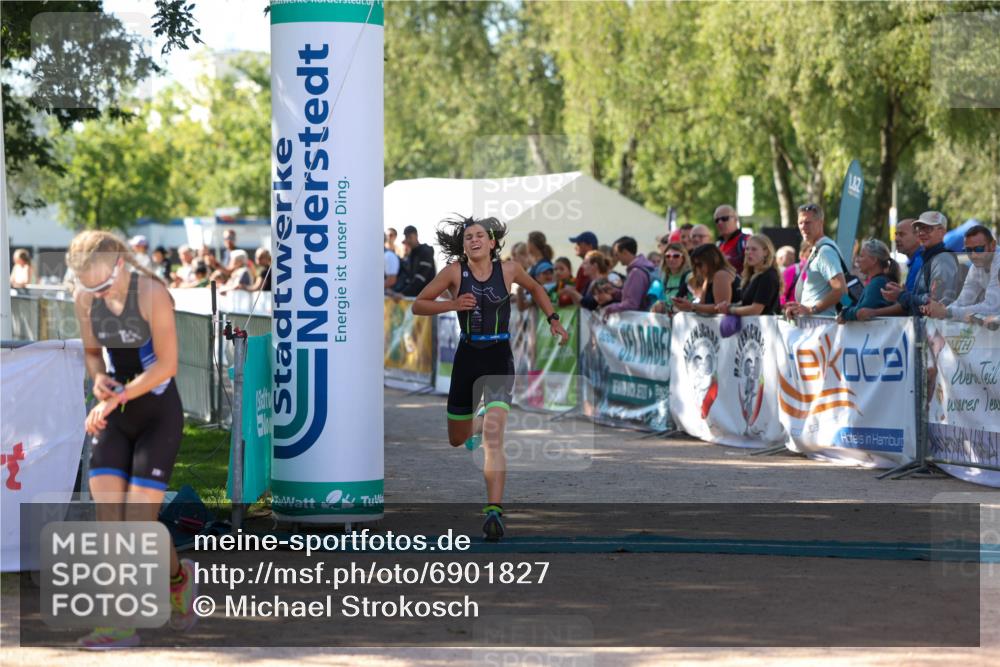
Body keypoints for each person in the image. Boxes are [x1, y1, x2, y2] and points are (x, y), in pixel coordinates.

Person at [65, 230, 196, 648]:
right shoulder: (85, 297)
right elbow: (90, 351)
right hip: (115, 414)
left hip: (157, 413)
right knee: (109, 519)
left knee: (140, 526)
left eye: (103, 286)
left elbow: (167, 366)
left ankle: (179, 578)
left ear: (120, 264)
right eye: (91, 288)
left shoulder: (153, 293)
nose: (98, 294)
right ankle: (117, 623)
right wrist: (98, 378)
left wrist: (115, 396)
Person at [411, 216, 568, 541]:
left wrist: (553, 319)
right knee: (457, 438)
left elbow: (536, 287)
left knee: (493, 439)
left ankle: (493, 510)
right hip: (467, 357)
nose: (474, 240)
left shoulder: (508, 270)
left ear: (493, 242)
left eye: (480, 235)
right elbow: (418, 304)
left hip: (498, 355)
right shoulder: (455, 272)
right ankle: (478, 422)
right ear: (464, 244)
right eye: (468, 237)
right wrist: (453, 304)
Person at [881, 211, 959, 315]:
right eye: (920, 229)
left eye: (928, 229)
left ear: (942, 232)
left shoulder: (942, 260)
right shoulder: (928, 258)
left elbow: (936, 302)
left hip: (936, 329)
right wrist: (904, 294)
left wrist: (901, 295)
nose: (922, 233)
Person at [921, 225, 999, 321]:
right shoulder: (976, 266)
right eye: (968, 250)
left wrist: (947, 312)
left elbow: (992, 307)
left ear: (993, 245)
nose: (973, 255)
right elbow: (963, 301)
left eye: (979, 249)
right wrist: (940, 311)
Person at [784, 203, 848, 318]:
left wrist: (811, 309)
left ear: (820, 223)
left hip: (822, 327)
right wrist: (799, 309)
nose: (803, 227)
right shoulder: (818, 249)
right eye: (800, 223)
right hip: (816, 325)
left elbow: (841, 290)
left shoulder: (825, 252)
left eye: (807, 222)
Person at [716, 234, 781, 316]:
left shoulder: (768, 275)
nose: (748, 252)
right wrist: (730, 306)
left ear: (766, 252)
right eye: (747, 249)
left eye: (754, 249)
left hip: (764, 327)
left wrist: (730, 310)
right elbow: (746, 302)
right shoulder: (752, 274)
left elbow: (756, 309)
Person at [837, 239, 900, 322]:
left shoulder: (878, 283)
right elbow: (858, 307)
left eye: (862, 256)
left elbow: (862, 311)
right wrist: (842, 297)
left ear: (874, 260)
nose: (858, 260)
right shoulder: (878, 281)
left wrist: (845, 314)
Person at [674, 244, 740, 315]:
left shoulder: (721, 275)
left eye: (699, 264)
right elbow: (702, 305)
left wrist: (692, 306)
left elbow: (721, 308)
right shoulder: (708, 279)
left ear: (711, 261)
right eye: (694, 265)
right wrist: (686, 306)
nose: (697, 269)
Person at [603, 236, 658, 315]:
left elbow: (631, 304)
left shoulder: (636, 272)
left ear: (625, 252)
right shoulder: (637, 270)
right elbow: (634, 295)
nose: (616, 258)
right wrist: (615, 292)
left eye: (617, 254)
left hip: (639, 320)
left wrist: (610, 308)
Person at [394, 225, 437, 297]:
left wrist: (403, 293)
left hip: (426, 298)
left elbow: (421, 278)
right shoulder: (412, 254)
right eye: (406, 237)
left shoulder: (425, 251)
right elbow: (410, 278)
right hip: (414, 298)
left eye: (410, 237)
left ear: (416, 236)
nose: (408, 240)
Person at [650, 243, 691, 314]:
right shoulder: (665, 277)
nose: (671, 259)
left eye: (676, 256)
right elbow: (665, 301)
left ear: (683, 258)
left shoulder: (689, 276)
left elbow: (693, 303)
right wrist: (659, 305)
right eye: (668, 256)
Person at [714, 204, 751, 273]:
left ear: (736, 219)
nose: (720, 222)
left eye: (725, 218)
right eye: (717, 220)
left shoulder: (747, 240)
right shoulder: (717, 246)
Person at [895, 218, 924, 292]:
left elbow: (914, 301)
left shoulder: (920, 262)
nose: (896, 239)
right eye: (896, 234)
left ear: (918, 236)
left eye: (902, 234)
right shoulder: (915, 261)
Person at [568, 231, 598, 295]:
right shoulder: (590, 264)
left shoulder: (588, 266)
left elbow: (580, 291)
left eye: (578, 244)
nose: (575, 247)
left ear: (590, 246)